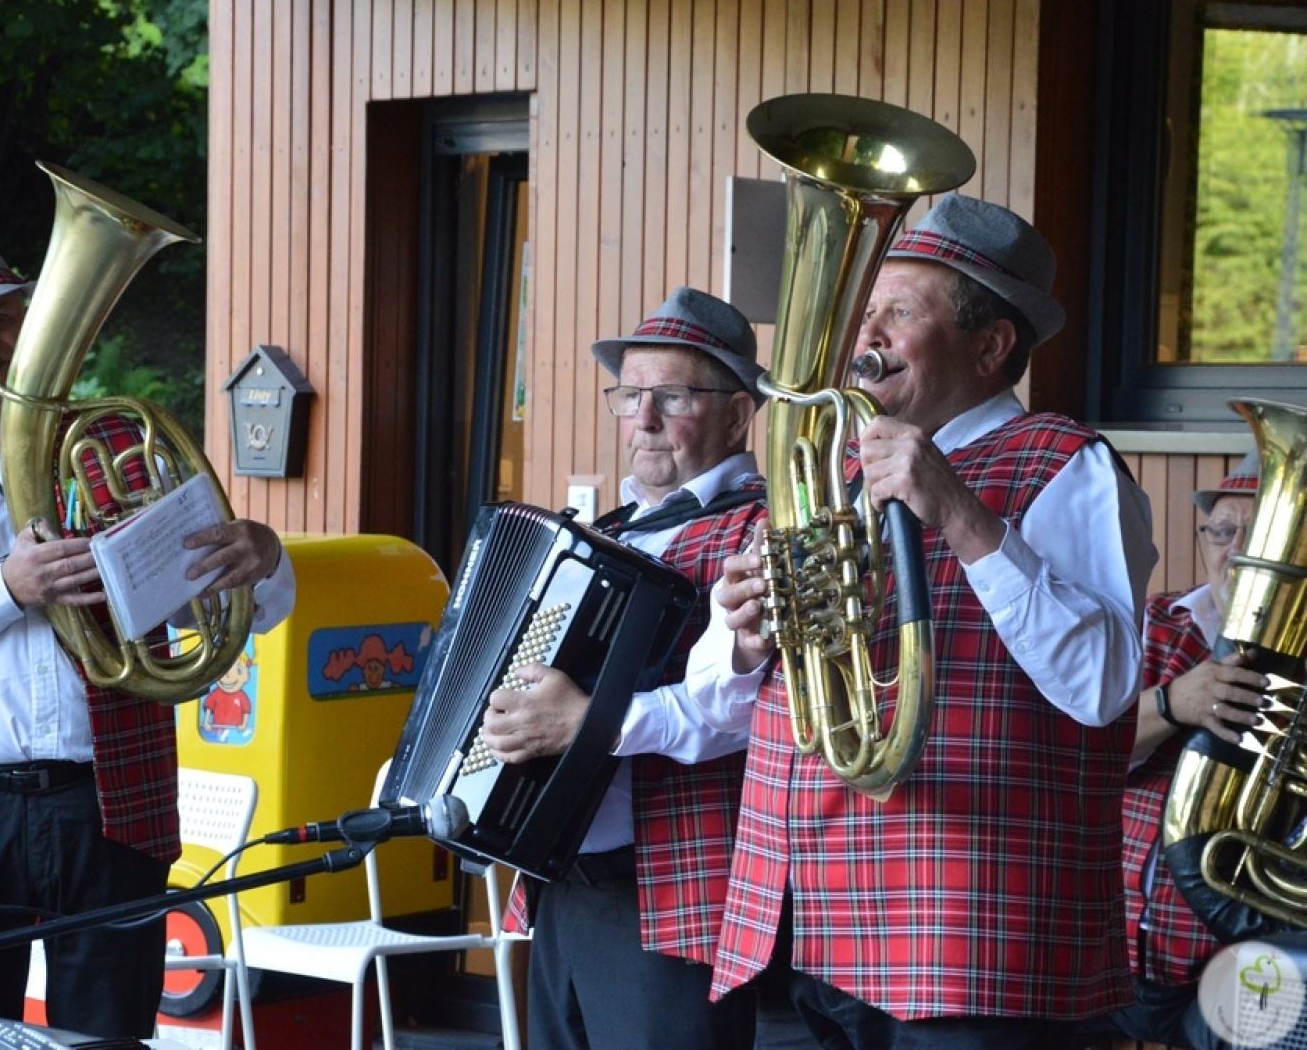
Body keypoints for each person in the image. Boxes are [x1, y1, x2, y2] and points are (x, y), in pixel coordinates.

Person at [686, 194, 1158, 1048]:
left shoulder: (1066, 465)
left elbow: (1103, 688)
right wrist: (745, 642)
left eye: (899, 313)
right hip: (815, 924)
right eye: (869, 312)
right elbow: (721, 702)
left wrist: (961, 514)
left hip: (972, 941)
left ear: (990, 346)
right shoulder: (828, 473)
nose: (866, 339)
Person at [0, 227, 296, 1039]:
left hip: (108, 799)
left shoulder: (117, 446)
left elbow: (229, 609)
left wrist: (260, 561)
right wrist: (4, 588)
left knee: (110, 1034)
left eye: (3, 317)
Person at [479, 287, 800, 1050]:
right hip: (561, 882)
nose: (644, 419)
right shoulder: (600, 532)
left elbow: (755, 714)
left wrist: (585, 723)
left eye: (673, 396)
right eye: (630, 395)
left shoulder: (765, 527)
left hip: (676, 894)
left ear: (736, 413)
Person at [1077, 456, 1268, 1050]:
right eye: (1221, 530)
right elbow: (1073, 744)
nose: (1234, 550)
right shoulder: (1152, 622)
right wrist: (1171, 702)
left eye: (1256, 533)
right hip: (1100, 949)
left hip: (1236, 956)